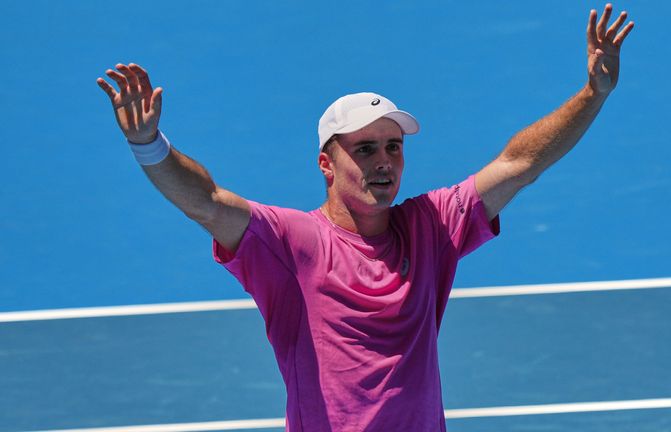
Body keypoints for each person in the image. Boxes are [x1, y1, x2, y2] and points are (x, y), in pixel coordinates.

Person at [96, 4, 633, 431]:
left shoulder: (432, 226)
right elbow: (207, 201)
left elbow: (519, 164)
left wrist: (593, 95)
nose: (384, 163)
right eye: (366, 149)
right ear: (327, 164)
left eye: (393, 148)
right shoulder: (291, 244)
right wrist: (149, 145)